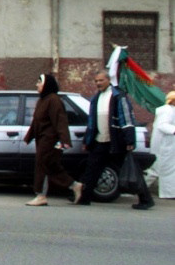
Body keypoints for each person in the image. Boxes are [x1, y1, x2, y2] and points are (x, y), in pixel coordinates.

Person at [75, 70, 154, 210]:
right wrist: (87, 141)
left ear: (108, 80)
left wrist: (129, 140)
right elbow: (92, 122)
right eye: (96, 81)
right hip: (100, 141)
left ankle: (145, 199)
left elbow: (127, 118)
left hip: (117, 142)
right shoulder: (96, 98)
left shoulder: (119, 96)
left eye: (101, 80)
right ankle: (84, 198)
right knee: (92, 169)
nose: (98, 83)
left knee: (131, 170)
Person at [23, 73, 83, 206]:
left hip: (51, 141)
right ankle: (74, 185)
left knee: (42, 165)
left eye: (39, 82)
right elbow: (36, 121)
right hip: (42, 140)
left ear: (46, 84)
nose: (36, 85)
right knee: (51, 166)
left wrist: (64, 141)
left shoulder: (54, 100)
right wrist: (29, 136)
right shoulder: (42, 100)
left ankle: (41, 195)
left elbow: (60, 121)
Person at [151, 91, 175, 198]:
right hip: (165, 147)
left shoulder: (170, 110)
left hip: (168, 146)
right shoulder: (167, 111)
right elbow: (163, 125)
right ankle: (168, 193)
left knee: (158, 170)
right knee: (162, 170)